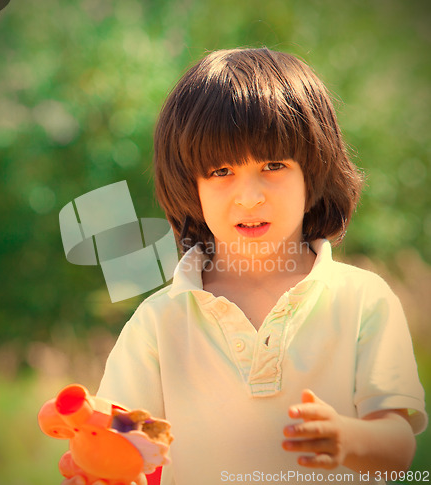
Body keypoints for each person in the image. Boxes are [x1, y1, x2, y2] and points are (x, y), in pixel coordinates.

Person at [64, 47, 427, 485]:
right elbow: (125, 443)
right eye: (221, 171)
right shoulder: (158, 323)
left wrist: (347, 439)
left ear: (312, 174)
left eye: (273, 165)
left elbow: (399, 448)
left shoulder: (363, 300)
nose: (249, 196)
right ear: (189, 185)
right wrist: (105, 469)